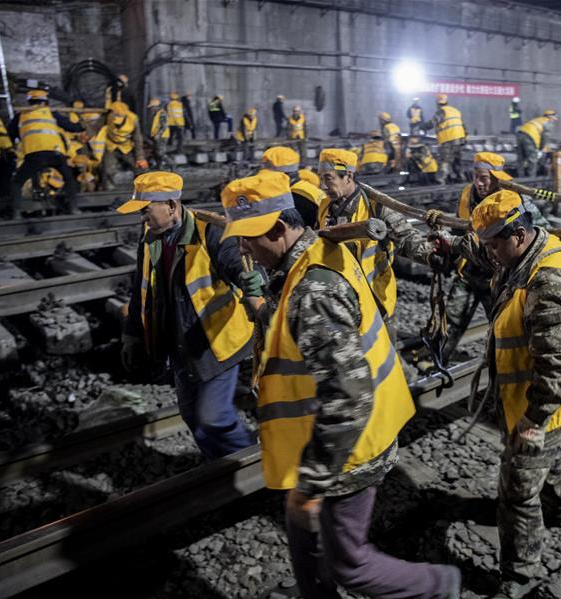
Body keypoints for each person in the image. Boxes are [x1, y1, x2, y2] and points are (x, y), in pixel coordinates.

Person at [227, 170, 461, 599]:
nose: (242, 248)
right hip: (339, 440)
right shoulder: (316, 251)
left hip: (350, 452)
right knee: (305, 536)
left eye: (248, 237)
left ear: (278, 229)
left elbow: (348, 397)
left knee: (349, 565)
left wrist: (312, 482)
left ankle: (439, 587)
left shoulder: (313, 290)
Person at [449, 189, 561, 598]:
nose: (489, 254)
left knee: (516, 490)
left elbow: (558, 367)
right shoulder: (524, 251)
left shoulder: (548, 282)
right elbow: (478, 251)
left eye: (494, 245)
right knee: (548, 456)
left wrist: (532, 421)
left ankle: (518, 574)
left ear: (518, 234)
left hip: (546, 401)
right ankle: (560, 509)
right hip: (541, 397)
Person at [119, 171, 255, 459]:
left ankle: (249, 464)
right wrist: (132, 336)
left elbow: (236, 265)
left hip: (216, 343)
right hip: (179, 344)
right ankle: (220, 464)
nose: (142, 218)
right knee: (192, 415)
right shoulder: (150, 239)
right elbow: (140, 291)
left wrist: (252, 284)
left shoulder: (210, 232)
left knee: (214, 417)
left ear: (171, 205)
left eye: (145, 210)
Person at [443, 152, 549, 362]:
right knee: (452, 320)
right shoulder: (467, 194)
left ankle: (504, 364)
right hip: (469, 270)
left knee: (502, 325)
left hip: (500, 277)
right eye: (476, 177)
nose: (480, 183)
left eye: (485, 178)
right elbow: (457, 230)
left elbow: (541, 231)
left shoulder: (515, 198)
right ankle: (437, 361)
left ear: (497, 178)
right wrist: (449, 258)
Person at [317, 148, 436, 326]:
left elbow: (406, 238)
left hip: (375, 298)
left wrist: (433, 253)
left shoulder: (376, 207)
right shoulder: (324, 206)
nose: (323, 186)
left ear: (348, 176)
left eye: (328, 178)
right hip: (339, 299)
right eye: (321, 178)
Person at [8, 89, 83, 216]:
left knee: (17, 182)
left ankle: (16, 213)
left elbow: (11, 134)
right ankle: (74, 208)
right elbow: (73, 127)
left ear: (29, 102)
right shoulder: (51, 113)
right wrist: (82, 123)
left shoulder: (20, 115)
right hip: (56, 153)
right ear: (45, 102)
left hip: (34, 155)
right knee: (69, 179)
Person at [98, 101, 148, 191]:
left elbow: (137, 139)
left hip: (126, 146)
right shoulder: (107, 117)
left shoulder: (133, 119)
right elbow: (96, 129)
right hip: (111, 145)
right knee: (108, 168)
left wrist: (140, 157)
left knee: (140, 167)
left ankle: (142, 186)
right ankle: (108, 187)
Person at [421, 94, 466, 184]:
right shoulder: (455, 111)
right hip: (459, 139)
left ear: (437, 103)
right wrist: (465, 138)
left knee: (444, 159)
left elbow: (433, 123)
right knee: (457, 159)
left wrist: (422, 127)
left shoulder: (441, 111)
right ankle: (461, 177)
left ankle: (441, 179)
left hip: (448, 139)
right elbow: (463, 125)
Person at [516, 109, 557, 177]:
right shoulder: (547, 122)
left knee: (521, 158)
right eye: (554, 118)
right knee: (532, 159)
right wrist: (542, 149)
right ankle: (531, 178)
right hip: (530, 137)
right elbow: (545, 138)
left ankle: (520, 177)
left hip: (520, 134)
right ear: (550, 117)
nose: (554, 121)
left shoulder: (538, 120)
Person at [146, 97, 171, 169]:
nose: (151, 109)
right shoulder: (156, 113)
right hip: (157, 135)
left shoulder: (162, 113)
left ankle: (171, 163)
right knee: (157, 152)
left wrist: (158, 134)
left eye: (152, 107)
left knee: (160, 153)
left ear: (156, 106)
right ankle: (159, 167)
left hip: (162, 136)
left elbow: (164, 126)